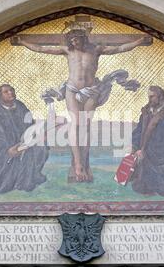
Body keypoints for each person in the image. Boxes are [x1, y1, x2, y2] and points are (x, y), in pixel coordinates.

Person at [14, 30, 149, 182]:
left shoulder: (95, 50)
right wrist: (22, 42)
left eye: (76, 39)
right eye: (71, 40)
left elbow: (119, 48)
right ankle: (78, 165)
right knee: (76, 123)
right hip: (72, 89)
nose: (73, 42)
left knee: (86, 126)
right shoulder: (67, 51)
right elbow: (41, 49)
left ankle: (85, 164)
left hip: (91, 91)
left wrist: (139, 41)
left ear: (83, 38)